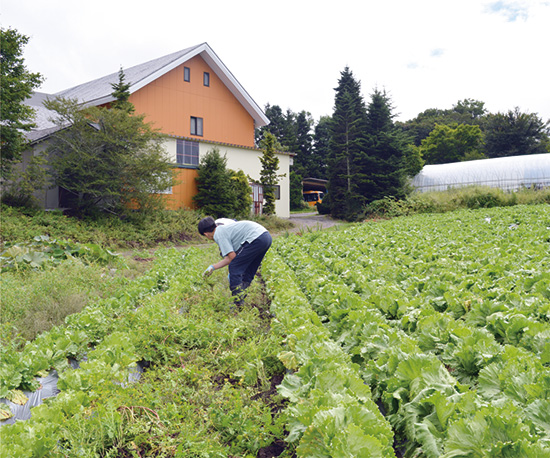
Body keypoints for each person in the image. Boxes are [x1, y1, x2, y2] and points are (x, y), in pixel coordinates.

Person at [198, 216, 272, 306]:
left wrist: (213, 267)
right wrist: (213, 267)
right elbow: (232, 256)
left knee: (234, 267)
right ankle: (241, 296)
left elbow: (231, 257)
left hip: (255, 238)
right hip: (265, 236)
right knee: (249, 269)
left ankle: (238, 303)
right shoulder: (222, 228)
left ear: (206, 234)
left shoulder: (218, 234)